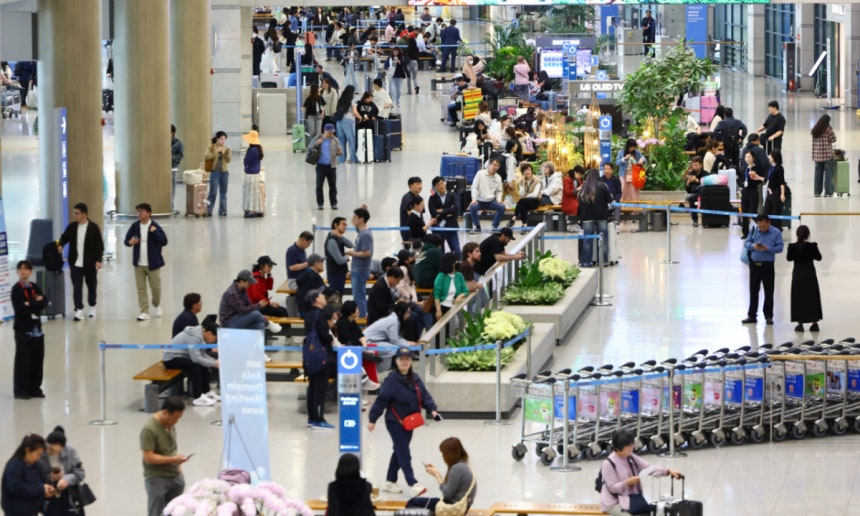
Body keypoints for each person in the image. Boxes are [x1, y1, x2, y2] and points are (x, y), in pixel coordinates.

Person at [368, 347, 440, 497]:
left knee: (399, 450)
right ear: (396, 361)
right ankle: (413, 483)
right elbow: (381, 400)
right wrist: (372, 419)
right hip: (395, 422)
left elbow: (424, 395)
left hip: (410, 421)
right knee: (404, 452)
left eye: (407, 359)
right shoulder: (391, 381)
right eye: (402, 359)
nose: (405, 362)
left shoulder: (415, 378)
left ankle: (390, 480)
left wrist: (432, 410)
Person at [599, 430, 682, 516]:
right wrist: (627, 483)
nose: (633, 447)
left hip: (631, 499)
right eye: (629, 446)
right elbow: (613, 488)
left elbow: (648, 467)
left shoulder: (630, 456)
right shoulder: (608, 464)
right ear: (619, 449)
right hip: (614, 503)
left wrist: (668, 471)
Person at [140, 396, 188, 516]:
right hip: (157, 478)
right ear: (165, 412)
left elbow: (172, 449)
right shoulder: (149, 430)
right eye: (175, 418)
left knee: (175, 511)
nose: (176, 421)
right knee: (156, 511)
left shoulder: (170, 425)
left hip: (174, 476)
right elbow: (148, 457)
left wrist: (179, 471)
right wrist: (173, 460)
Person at [57, 202, 104, 321]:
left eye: (77, 213)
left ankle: (92, 306)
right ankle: (78, 309)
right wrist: (60, 245)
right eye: (74, 213)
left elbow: (99, 246)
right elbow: (64, 237)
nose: (75, 215)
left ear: (84, 214)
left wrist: (98, 260)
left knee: (91, 286)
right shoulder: (72, 227)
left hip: (90, 263)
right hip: (75, 263)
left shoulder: (93, 228)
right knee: (77, 287)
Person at [406, 437, 477, 512]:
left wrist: (436, 474)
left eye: (443, 454)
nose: (442, 456)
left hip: (453, 506)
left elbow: (447, 494)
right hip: (462, 505)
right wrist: (435, 472)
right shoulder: (464, 464)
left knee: (412, 503)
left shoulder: (457, 468)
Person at [10, 260, 48, 400]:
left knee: (37, 361)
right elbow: (20, 309)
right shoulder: (17, 289)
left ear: (31, 271)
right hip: (23, 331)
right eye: (20, 269)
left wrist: (30, 303)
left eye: (26, 269)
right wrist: (34, 302)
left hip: (37, 331)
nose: (23, 271)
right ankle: (21, 390)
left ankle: (35, 388)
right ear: (17, 272)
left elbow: (44, 301)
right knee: (23, 362)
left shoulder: (34, 286)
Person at [303, 288, 337, 429]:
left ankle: (312, 417)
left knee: (312, 387)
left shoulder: (309, 315)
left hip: (310, 357)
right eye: (321, 295)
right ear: (317, 299)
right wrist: (330, 338)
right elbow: (324, 335)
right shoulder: (320, 315)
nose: (324, 297)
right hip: (321, 357)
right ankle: (319, 419)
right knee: (320, 389)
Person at [742, 213, 784, 325]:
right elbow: (747, 243)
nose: (762, 228)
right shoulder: (754, 230)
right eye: (760, 226)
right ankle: (752, 315)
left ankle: (768, 316)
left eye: (764, 226)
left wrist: (768, 249)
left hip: (768, 266)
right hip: (754, 265)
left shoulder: (776, 232)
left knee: (769, 292)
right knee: (753, 291)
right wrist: (753, 246)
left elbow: (780, 248)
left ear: (768, 222)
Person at [39, 427, 85, 516]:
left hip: (70, 495)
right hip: (50, 496)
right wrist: (50, 477)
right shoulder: (40, 454)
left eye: (56, 451)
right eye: (50, 449)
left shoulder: (70, 451)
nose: (52, 453)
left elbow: (80, 472)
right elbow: (35, 477)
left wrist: (66, 480)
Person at [2, 433, 52, 515]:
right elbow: (17, 488)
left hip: (32, 511)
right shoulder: (14, 466)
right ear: (27, 450)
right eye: (37, 454)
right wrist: (41, 489)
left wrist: (45, 491)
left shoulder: (35, 465)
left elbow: (39, 481)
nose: (39, 458)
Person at [787, 225, 823, 333]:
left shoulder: (792, 247)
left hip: (798, 275)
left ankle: (800, 323)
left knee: (799, 298)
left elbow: (789, 258)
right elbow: (819, 257)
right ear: (808, 235)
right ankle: (814, 323)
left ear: (797, 235)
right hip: (810, 275)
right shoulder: (812, 246)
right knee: (812, 298)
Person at [578, 169, 613, 267]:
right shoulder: (602, 186)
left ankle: (586, 262)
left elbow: (579, 200)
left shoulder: (584, 187)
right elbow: (609, 200)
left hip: (587, 216)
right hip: (601, 216)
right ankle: (603, 261)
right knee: (603, 239)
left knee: (587, 240)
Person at [310, 123, 343, 210]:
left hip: (331, 166)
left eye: (332, 132)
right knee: (319, 186)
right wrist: (317, 143)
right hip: (320, 166)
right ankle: (320, 204)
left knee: (333, 186)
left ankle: (334, 203)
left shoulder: (335, 140)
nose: (331, 134)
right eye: (329, 132)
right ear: (325, 130)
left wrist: (340, 152)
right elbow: (309, 148)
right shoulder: (318, 138)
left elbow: (339, 151)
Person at [468, 156, 506, 232]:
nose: (496, 167)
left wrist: (499, 200)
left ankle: (494, 226)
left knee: (502, 207)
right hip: (479, 201)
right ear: (489, 165)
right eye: (494, 165)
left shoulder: (498, 177)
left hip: (491, 202)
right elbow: (474, 187)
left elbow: (499, 191)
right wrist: (474, 199)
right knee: (472, 207)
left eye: (497, 166)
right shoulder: (480, 173)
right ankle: (477, 226)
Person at [428, 177, 461, 255]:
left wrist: (442, 210)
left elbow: (456, 208)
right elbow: (433, 212)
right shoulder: (432, 198)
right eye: (438, 185)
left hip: (451, 227)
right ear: (435, 187)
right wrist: (449, 211)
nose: (441, 186)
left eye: (442, 183)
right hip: (438, 230)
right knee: (440, 253)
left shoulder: (452, 195)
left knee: (457, 252)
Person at [351, 207, 374, 318]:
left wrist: (353, 253)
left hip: (360, 270)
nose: (352, 219)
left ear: (361, 219)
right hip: (358, 269)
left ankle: (362, 321)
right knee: (358, 296)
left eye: (355, 217)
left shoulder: (365, 235)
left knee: (359, 297)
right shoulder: (362, 232)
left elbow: (367, 252)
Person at [433, 252, 468, 320]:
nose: (457, 263)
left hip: (456, 306)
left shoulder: (459, 275)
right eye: (455, 262)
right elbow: (436, 294)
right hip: (443, 306)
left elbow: (466, 290)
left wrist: (460, 296)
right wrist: (438, 310)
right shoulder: (441, 276)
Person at [204, 131, 231, 217]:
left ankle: (223, 210)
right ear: (217, 139)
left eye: (224, 139)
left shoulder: (226, 148)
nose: (222, 141)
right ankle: (208, 210)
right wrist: (216, 151)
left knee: (223, 192)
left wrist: (226, 154)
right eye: (221, 139)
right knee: (213, 192)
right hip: (215, 172)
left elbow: (228, 160)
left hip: (224, 172)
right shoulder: (211, 147)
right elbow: (206, 156)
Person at [740, 149, 765, 240]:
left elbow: (761, 179)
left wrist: (755, 176)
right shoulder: (744, 168)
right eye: (746, 157)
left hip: (753, 191)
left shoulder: (757, 168)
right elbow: (741, 179)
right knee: (744, 213)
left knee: (753, 212)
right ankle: (745, 232)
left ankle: (761, 229)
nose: (747, 159)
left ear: (753, 158)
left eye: (749, 157)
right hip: (745, 191)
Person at [325, 217, 354, 296]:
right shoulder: (332, 241)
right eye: (343, 224)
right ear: (335, 225)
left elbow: (350, 245)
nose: (345, 227)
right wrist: (348, 257)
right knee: (336, 300)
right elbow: (340, 260)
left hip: (340, 274)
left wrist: (341, 236)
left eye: (346, 225)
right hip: (335, 276)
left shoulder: (338, 238)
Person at [810, 114, 837, 197]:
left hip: (817, 156)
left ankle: (817, 192)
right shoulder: (828, 130)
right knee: (828, 175)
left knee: (818, 175)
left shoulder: (815, 129)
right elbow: (834, 139)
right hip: (827, 156)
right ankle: (828, 192)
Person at [508, 163, 540, 230]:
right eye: (525, 171)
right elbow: (521, 193)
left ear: (531, 171)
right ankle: (524, 225)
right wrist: (521, 182)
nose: (527, 172)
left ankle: (514, 218)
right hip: (525, 201)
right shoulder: (523, 180)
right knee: (523, 206)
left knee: (522, 201)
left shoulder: (537, 180)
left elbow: (535, 194)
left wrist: (526, 196)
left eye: (528, 170)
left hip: (535, 201)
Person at [334, 85, 360, 164]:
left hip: (339, 121)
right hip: (348, 121)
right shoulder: (353, 100)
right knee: (351, 140)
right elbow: (355, 112)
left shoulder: (341, 99)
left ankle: (341, 159)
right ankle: (353, 159)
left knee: (341, 141)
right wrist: (361, 117)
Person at [242, 130, 265, 218]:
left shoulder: (252, 150)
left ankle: (250, 211)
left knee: (249, 194)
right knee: (256, 194)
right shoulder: (258, 150)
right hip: (256, 174)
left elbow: (246, 161)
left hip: (250, 175)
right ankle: (258, 210)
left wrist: (245, 165)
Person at [764, 149, 786, 230]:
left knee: (776, 212)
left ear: (774, 157)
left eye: (770, 155)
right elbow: (767, 179)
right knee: (766, 211)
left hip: (776, 193)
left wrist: (782, 194)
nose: (769, 157)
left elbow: (781, 182)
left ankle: (777, 230)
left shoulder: (779, 168)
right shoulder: (771, 167)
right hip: (769, 192)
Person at [400, 177, 424, 248]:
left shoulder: (419, 198)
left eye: (421, 184)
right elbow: (411, 214)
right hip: (409, 232)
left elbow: (421, 214)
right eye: (417, 184)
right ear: (410, 185)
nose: (420, 186)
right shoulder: (407, 198)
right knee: (411, 254)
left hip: (417, 232)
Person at [684, 157, 705, 227]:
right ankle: (695, 220)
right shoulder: (691, 174)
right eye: (693, 165)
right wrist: (688, 183)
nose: (694, 167)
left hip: (703, 195)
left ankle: (705, 219)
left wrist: (696, 180)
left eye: (696, 165)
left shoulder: (705, 174)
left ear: (701, 165)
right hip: (693, 195)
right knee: (692, 199)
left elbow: (706, 185)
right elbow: (687, 190)